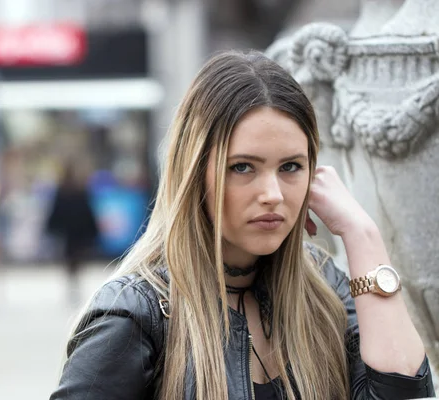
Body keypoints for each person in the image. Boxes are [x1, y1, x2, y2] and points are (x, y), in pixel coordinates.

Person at [49, 51, 435, 399]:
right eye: (243, 167)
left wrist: (362, 234)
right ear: (195, 171)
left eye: (290, 167)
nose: (273, 194)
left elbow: (404, 392)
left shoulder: (324, 289)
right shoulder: (139, 314)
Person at [46, 161, 100, 304]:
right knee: (75, 258)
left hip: (69, 232)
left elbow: (56, 211)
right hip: (77, 231)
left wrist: (51, 227)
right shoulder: (78, 190)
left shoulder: (65, 190)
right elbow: (87, 211)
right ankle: (74, 283)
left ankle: (73, 283)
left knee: (71, 258)